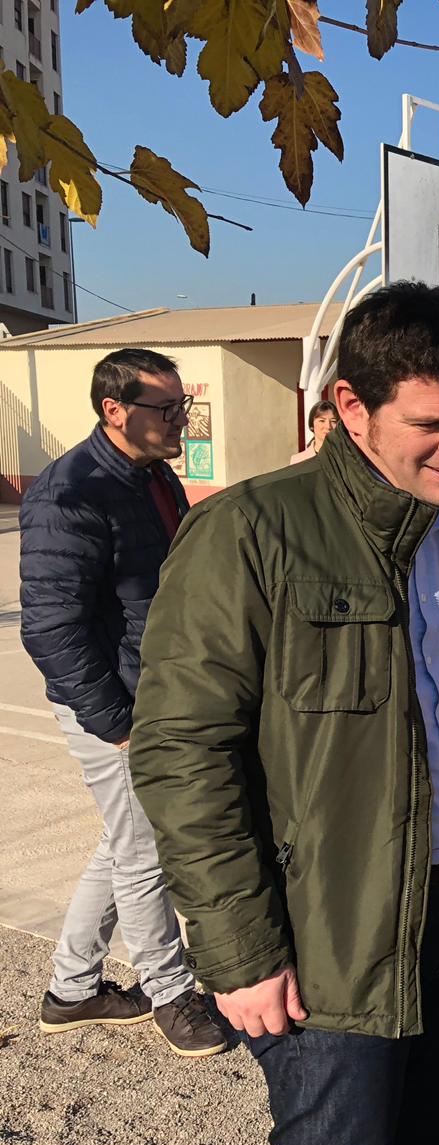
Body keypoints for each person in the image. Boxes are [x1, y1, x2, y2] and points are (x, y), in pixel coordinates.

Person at [129, 283, 439, 1145]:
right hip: (327, 936)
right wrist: (240, 948)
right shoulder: (250, 530)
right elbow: (182, 752)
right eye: (433, 423)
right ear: (352, 408)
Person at [19, 348, 227, 1058]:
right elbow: (51, 628)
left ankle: (72, 989)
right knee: (147, 851)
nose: (180, 420)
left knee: (123, 842)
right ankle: (171, 993)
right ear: (114, 410)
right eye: (165, 409)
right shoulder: (70, 493)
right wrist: (116, 725)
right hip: (115, 707)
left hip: (155, 692)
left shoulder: (151, 475)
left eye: (181, 406)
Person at [288, 398, 339, 464]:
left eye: (333, 421)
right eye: (322, 421)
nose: (328, 426)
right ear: (312, 425)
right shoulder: (298, 460)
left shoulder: (346, 457)